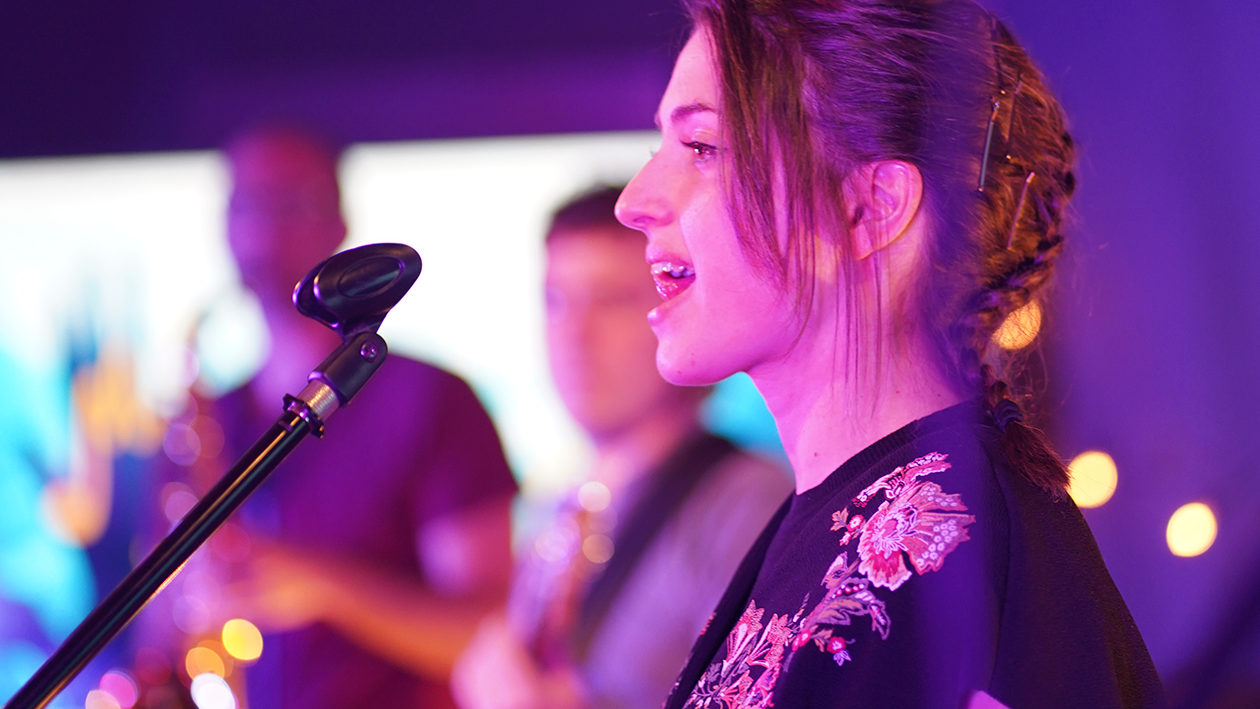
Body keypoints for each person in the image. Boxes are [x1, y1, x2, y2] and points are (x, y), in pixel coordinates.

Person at [612, 2, 1166, 707]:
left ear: (870, 209)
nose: (633, 200)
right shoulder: (844, 516)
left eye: (702, 146)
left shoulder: (945, 567)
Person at [136, 126, 517, 709]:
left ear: (341, 224)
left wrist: (325, 586)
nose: (264, 229)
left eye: (291, 202)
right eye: (246, 205)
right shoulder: (204, 421)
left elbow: (489, 631)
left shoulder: (431, 399)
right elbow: (157, 632)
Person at [451, 186, 791, 709]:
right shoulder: (558, 507)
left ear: (681, 312)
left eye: (610, 300)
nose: (573, 334)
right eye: (556, 301)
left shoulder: (748, 502)